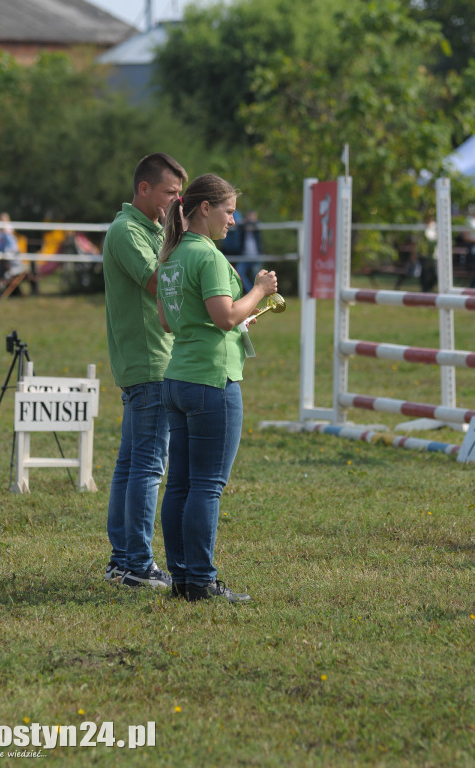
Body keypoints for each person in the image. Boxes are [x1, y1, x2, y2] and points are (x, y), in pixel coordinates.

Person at [157, 174, 278, 602]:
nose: (233, 220)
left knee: (180, 486)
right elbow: (225, 316)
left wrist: (239, 317)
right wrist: (259, 292)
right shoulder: (207, 256)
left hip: (178, 378)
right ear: (205, 209)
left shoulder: (170, 254)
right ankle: (202, 582)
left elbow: (171, 321)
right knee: (206, 486)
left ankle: (182, 579)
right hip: (212, 381)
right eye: (228, 211)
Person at [103, 152, 188, 589]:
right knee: (149, 467)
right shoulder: (127, 231)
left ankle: (122, 559)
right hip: (150, 363)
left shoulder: (150, 229)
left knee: (131, 464)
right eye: (171, 193)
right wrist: (184, 240)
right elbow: (159, 281)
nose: (176, 202)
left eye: (180, 194)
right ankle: (136, 563)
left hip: (149, 361)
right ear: (144, 189)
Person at [235, 210, 264, 293]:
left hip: (256, 256)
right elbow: (238, 225)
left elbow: (256, 224)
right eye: (249, 217)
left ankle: (258, 292)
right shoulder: (243, 229)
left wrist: (249, 223)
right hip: (245, 257)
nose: (250, 220)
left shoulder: (257, 227)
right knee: (239, 272)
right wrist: (245, 223)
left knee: (257, 275)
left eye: (252, 217)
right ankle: (250, 291)